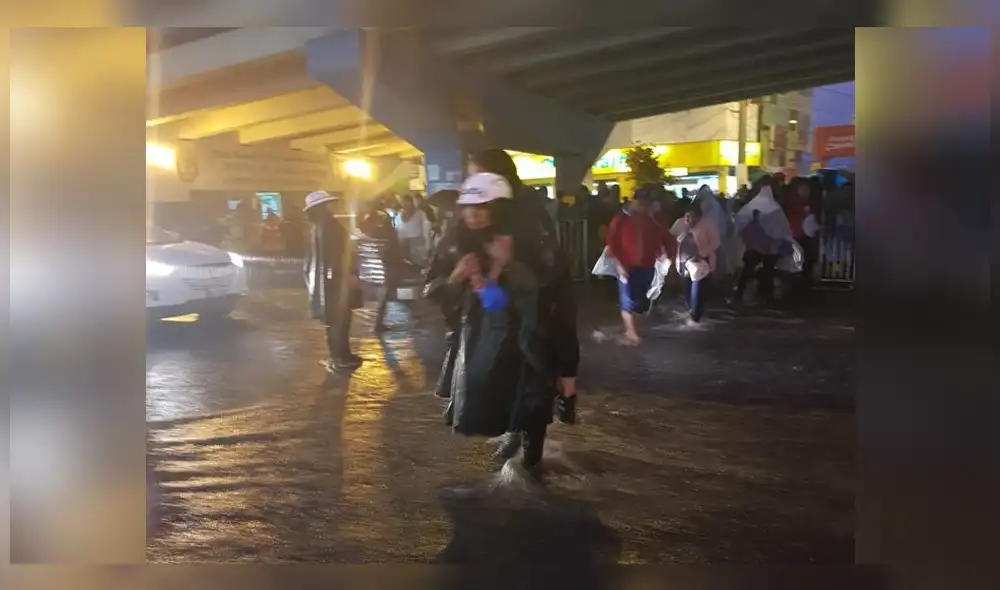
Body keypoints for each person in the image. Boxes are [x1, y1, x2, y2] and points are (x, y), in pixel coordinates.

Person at [425, 173, 578, 476]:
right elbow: (432, 290)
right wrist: (458, 275)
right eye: (469, 207)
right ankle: (513, 448)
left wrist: (506, 266)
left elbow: (552, 291)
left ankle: (530, 467)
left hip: (529, 339)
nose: (474, 214)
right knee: (498, 400)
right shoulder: (455, 242)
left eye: (483, 206)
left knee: (532, 404)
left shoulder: (532, 240)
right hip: (482, 340)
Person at [605, 189, 675, 345]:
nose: (643, 207)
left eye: (646, 204)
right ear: (633, 202)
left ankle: (632, 329)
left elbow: (666, 238)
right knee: (628, 299)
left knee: (642, 303)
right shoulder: (621, 219)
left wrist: (670, 259)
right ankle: (632, 333)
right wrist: (619, 264)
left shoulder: (655, 218)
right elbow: (612, 243)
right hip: (626, 266)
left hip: (647, 265)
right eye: (640, 203)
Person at [303, 190, 362, 372]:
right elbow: (339, 256)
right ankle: (340, 357)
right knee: (340, 320)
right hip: (336, 282)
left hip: (325, 283)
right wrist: (349, 275)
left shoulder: (316, 228)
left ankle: (339, 355)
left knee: (333, 321)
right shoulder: (330, 227)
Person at [729, 176, 793, 306]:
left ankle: (739, 295)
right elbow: (781, 229)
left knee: (748, 270)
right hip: (771, 247)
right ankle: (766, 296)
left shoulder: (751, 207)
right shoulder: (775, 208)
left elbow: (740, 222)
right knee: (768, 270)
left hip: (753, 246)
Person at [359, 196, 402, 333]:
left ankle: (376, 322)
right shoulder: (383, 219)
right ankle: (377, 323)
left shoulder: (365, 219)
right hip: (383, 262)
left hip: (370, 262)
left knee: (375, 295)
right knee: (383, 294)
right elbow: (391, 238)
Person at [676, 204, 721, 323]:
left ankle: (696, 314)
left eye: (693, 217)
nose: (690, 220)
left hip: (700, 263)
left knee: (698, 288)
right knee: (687, 288)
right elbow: (671, 238)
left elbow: (715, 242)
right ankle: (692, 311)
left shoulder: (707, 225)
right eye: (687, 217)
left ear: (700, 217)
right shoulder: (680, 224)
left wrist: (702, 254)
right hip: (683, 262)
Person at [394, 193, 431, 266]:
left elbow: (426, 230)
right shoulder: (398, 216)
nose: (405, 204)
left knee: (416, 267)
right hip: (403, 247)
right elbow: (397, 229)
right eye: (403, 202)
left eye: (407, 202)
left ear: (411, 202)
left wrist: (428, 246)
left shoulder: (420, 214)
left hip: (417, 247)